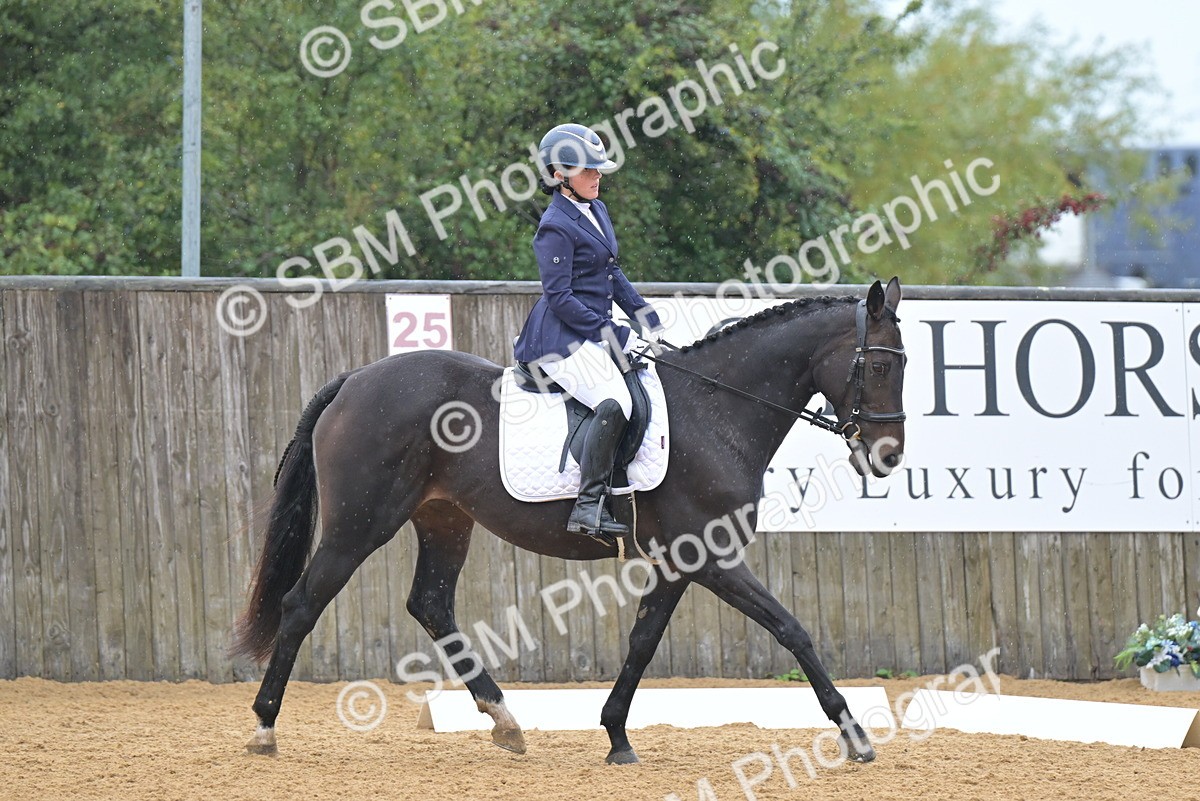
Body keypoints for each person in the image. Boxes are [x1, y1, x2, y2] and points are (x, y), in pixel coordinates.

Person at [513, 123, 664, 546]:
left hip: (589, 330)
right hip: (559, 339)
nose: (598, 176)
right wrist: (615, 331)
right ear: (559, 175)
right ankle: (588, 506)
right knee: (614, 402)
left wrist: (644, 315)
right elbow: (560, 298)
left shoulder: (595, 209)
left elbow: (610, 272)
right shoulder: (554, 226)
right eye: (588, 170)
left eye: (598, 170)